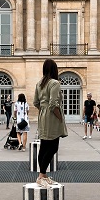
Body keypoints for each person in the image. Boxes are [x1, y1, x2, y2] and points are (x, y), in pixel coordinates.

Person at [33, 59, 68, 187]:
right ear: (54, 69)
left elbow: (35, 102)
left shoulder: (39, 83)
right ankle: (42, 175)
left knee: (43, 146)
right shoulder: (55, 83)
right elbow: (54, 104)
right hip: (52, 117)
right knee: (53, 146)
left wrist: (43, 110)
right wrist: (60, 118)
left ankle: (42, 175)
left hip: (42, 116)